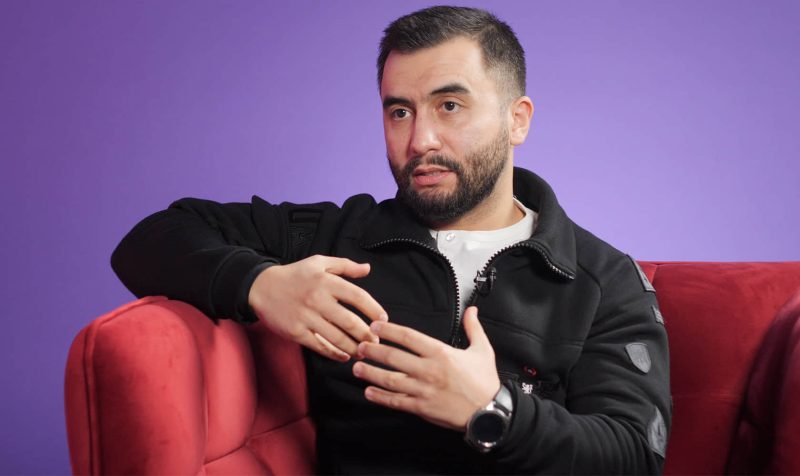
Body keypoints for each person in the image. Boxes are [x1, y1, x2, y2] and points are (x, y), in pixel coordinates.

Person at [112, 6, 671, 474]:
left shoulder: (603, 280)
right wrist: (260, 284)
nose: (420, 140)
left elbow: (635, 454)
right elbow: (149, 238)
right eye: (400, 111)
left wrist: (492, 409)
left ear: (516, 120)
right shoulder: (335, 237)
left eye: (449, 106)